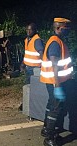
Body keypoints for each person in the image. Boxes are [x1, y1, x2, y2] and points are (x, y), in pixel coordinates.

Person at [40, 17, 73, 146]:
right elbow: (55, 64)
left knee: (51, 105)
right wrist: (58, 86)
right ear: (58, 28)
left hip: (52, 81)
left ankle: (46, 128)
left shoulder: (57, 40)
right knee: (56, 109)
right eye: (66, 28)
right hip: (56, 82)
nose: (68, 30)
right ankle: (49, 138)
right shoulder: (55, 42)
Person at [19, 23, 44, 111]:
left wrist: (44, 66)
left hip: (36, 68)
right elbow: (27, 54)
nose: (28, 31)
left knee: (34, 87)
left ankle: (32, 107)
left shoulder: (37, 40)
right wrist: (23, 63)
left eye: (30, 30)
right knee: (28, 86)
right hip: (29, 68)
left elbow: (41, 53)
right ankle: (27, 104)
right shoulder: (27, 40)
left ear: (35, 30)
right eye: (27, 30)